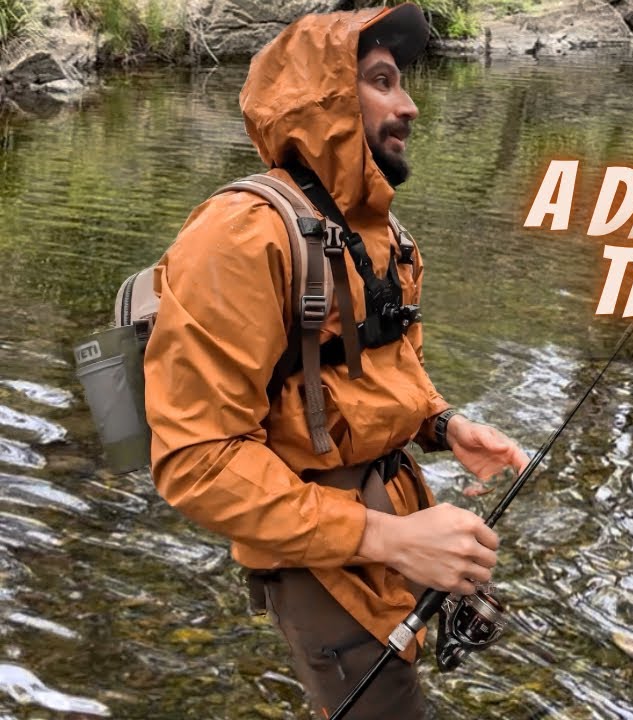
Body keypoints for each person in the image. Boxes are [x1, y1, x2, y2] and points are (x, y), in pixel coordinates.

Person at [142, 5, 528, 718]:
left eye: (401, 81)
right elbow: (196, 460)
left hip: (397, 518)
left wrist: (442, 426)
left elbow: (377, 370)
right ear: (320, 103)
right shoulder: (238, 236)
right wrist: (389, 537)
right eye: (381, 81)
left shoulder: (382, 234)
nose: (408, 105)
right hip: (319, 560)